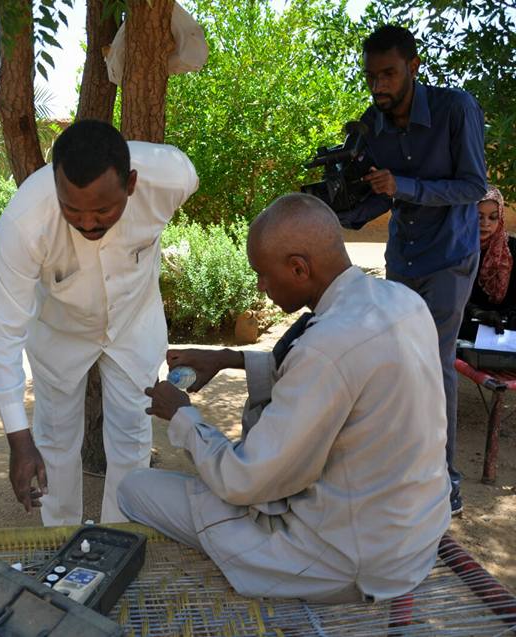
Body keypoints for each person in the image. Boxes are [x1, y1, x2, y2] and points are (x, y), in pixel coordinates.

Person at [119, 193, 450, 602]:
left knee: (135, 489)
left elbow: (244, 480)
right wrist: (229, 358)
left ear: (298, 268)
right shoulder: (402, 301)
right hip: (414, 540)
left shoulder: (325, 348)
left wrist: (184, 416)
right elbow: (332, 374)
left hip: (350, 563)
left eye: (263, 274)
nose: (261, 286)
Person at [0, 119, 198, 526]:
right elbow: (2, 331)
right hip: (58, 331)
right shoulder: (24, 224)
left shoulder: (172, 177)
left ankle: (120, 536)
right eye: (72, 210)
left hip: (134, 322)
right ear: (55, 188)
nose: (87, 223)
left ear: (131, 184)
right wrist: (17, 438)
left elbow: (182, 175)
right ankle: (61, 538)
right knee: (54, 438)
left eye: (103, 210)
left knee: (132, 433)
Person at [336, 25, 487, 516]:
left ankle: (444, 478)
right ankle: (401, 466)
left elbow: (473, 186)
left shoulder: (455, 109)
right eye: (371, 76)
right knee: (398, 361)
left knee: (433, 361)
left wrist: (405, 186)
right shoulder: (370, 125)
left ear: (413, 67)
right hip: (403, 256)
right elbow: (378, 196)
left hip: (450, 256)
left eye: (389, 74)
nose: (378, 85)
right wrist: (337, 209)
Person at [459, 186, 515, 341]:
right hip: (465, 328)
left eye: (493, 217)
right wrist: (478, 313)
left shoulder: (512, 249)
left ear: (500, 218)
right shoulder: (457, 249)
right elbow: (449, 295)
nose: (485, 223)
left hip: (506, 332)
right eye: (479, 216)